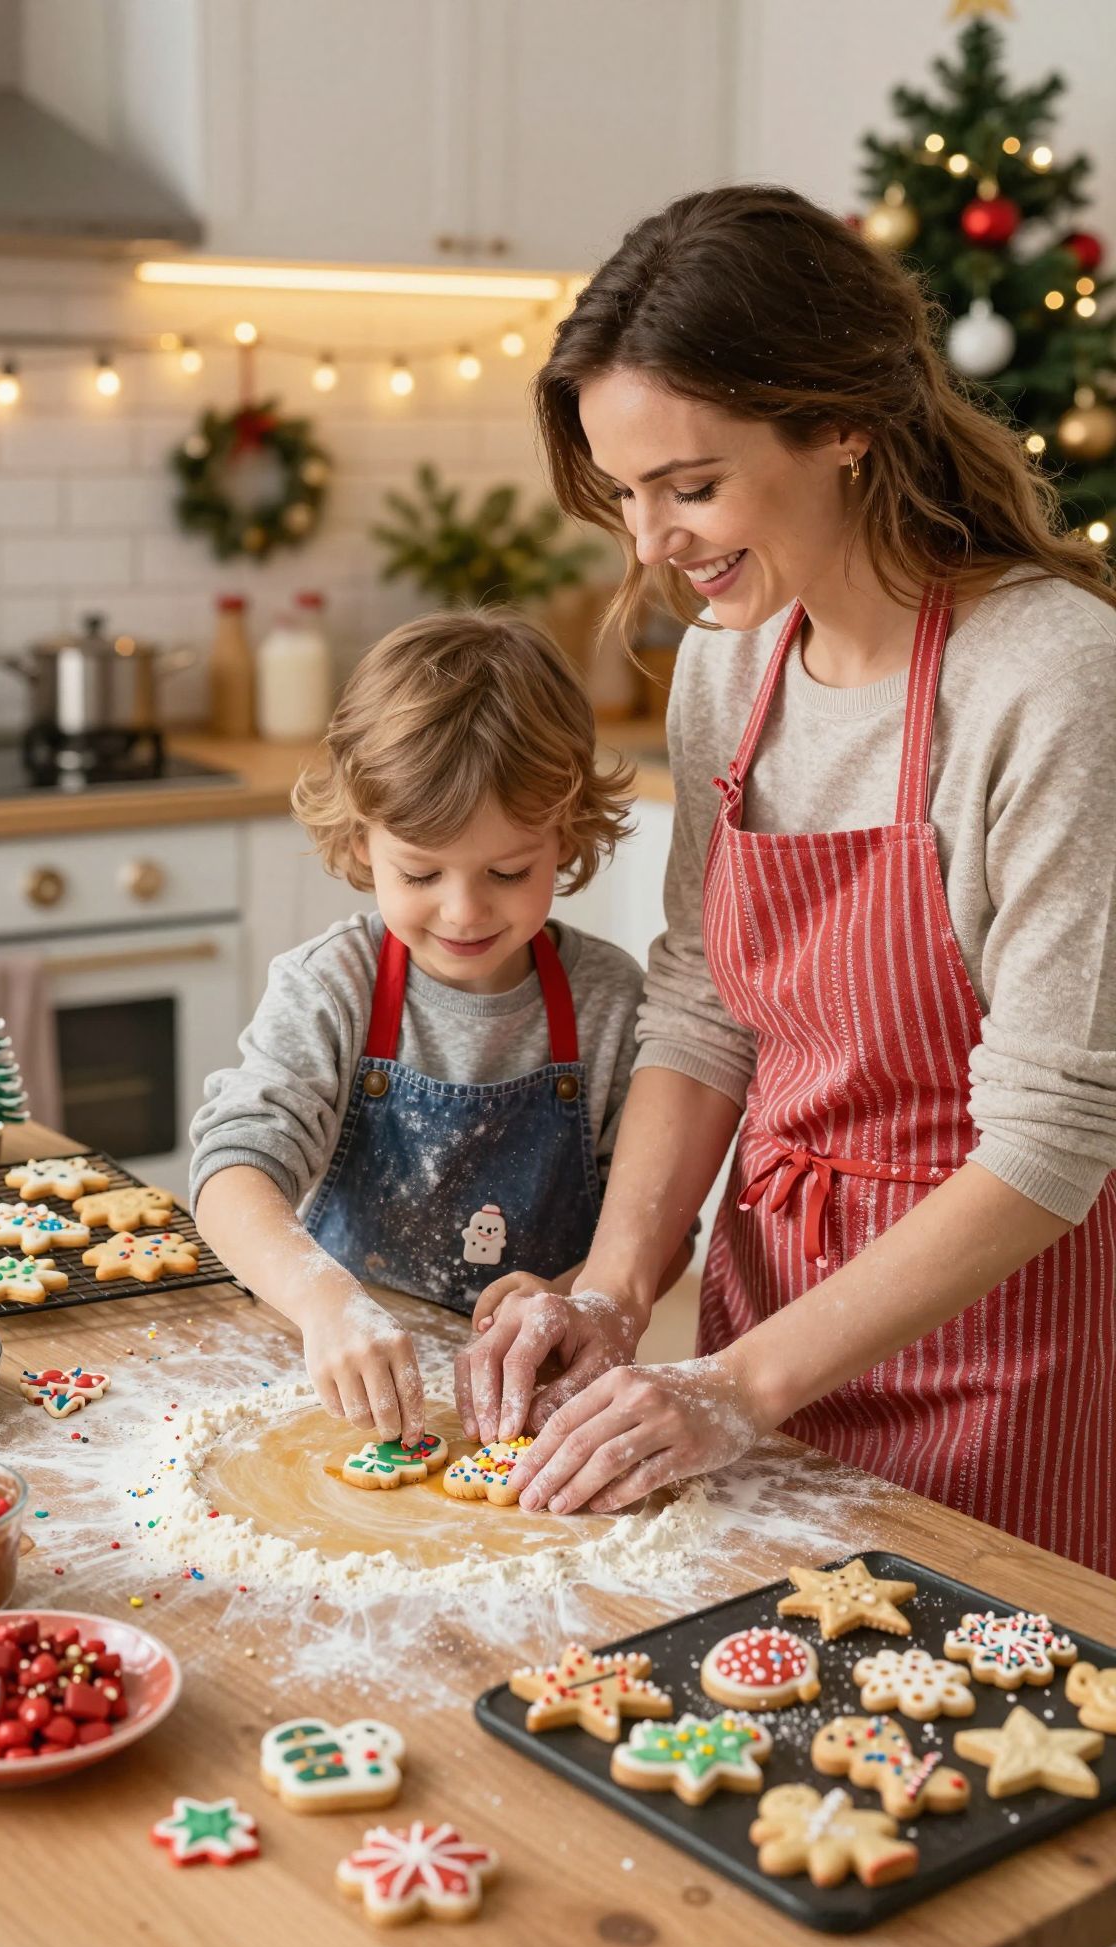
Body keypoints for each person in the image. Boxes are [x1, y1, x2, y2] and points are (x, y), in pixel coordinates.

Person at [457, 185, 1116, 1576]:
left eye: (691, 488)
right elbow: (704, 1009)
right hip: (761, 1331)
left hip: (999, 1352)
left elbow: (1052, 1140)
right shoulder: (729, 663)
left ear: (842, 425)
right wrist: (618, 1292)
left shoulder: (1049, 678)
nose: (650, 546)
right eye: (625, 496)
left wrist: (734, 1389)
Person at [191, 608, 688, 1440]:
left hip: (533, 1402)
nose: (463, 911)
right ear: (361, 844)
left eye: (507, 869)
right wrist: (324, 1300)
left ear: (565, 837)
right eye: (420, 871)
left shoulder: (610, 1002)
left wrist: (567, 1296)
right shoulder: (335, 986)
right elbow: (232, 1170)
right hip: (343, 1388)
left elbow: (661, 1228)